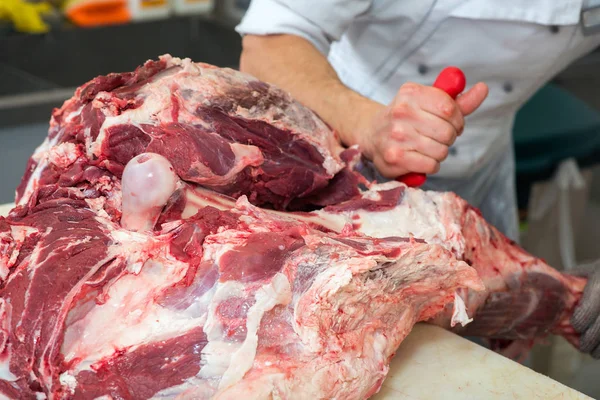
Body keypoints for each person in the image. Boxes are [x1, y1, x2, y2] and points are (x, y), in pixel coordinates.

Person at [235, 1, 600, 358]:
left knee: (480, 338)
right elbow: (268, 42)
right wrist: (366, 123)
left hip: (484, 160)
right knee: (346, 342)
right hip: (348, 163)